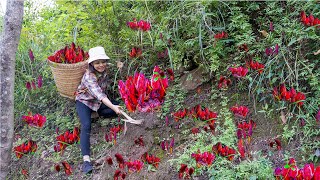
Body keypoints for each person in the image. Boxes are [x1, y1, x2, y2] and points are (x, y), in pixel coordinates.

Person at [75, 46, 121, 174]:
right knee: (86, 125)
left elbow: (115, 64)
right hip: (85, 102)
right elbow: (100, 95)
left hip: (98, 103)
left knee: (118, 106)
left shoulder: (104, 69)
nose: (101, 65)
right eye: (97, 62)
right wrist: (112, 106)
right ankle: (86, 161)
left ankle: (98, 113)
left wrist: (120, 64)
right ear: (91, 64)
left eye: (103, 61)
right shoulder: (89, 76)